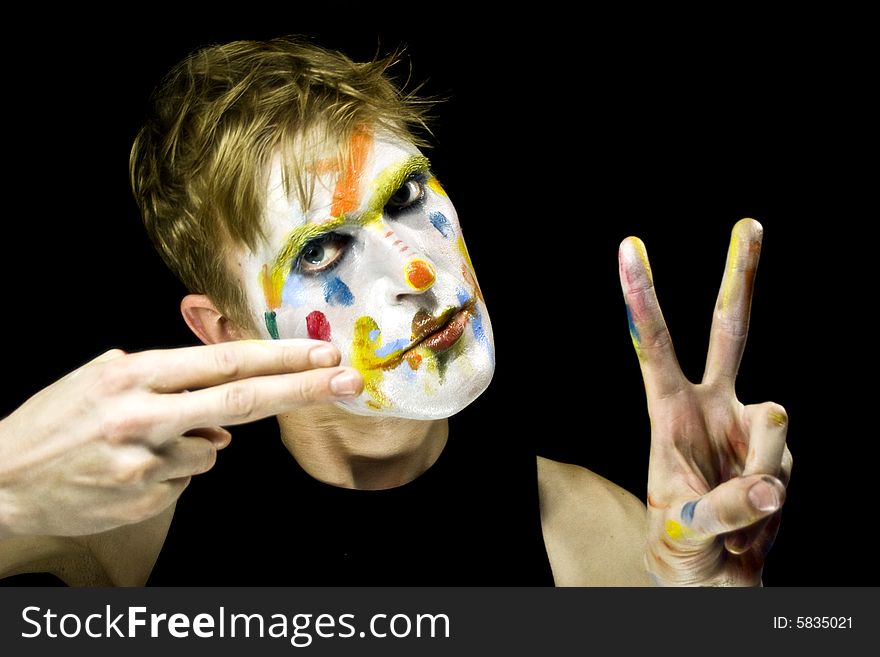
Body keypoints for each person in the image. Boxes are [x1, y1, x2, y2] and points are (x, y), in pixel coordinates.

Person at [0, 36, 790, 586]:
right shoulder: (126, 528)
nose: (415, 268)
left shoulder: (596, 536)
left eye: (406, 196)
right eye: (320, 252)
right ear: (224, 329)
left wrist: (722, 613)